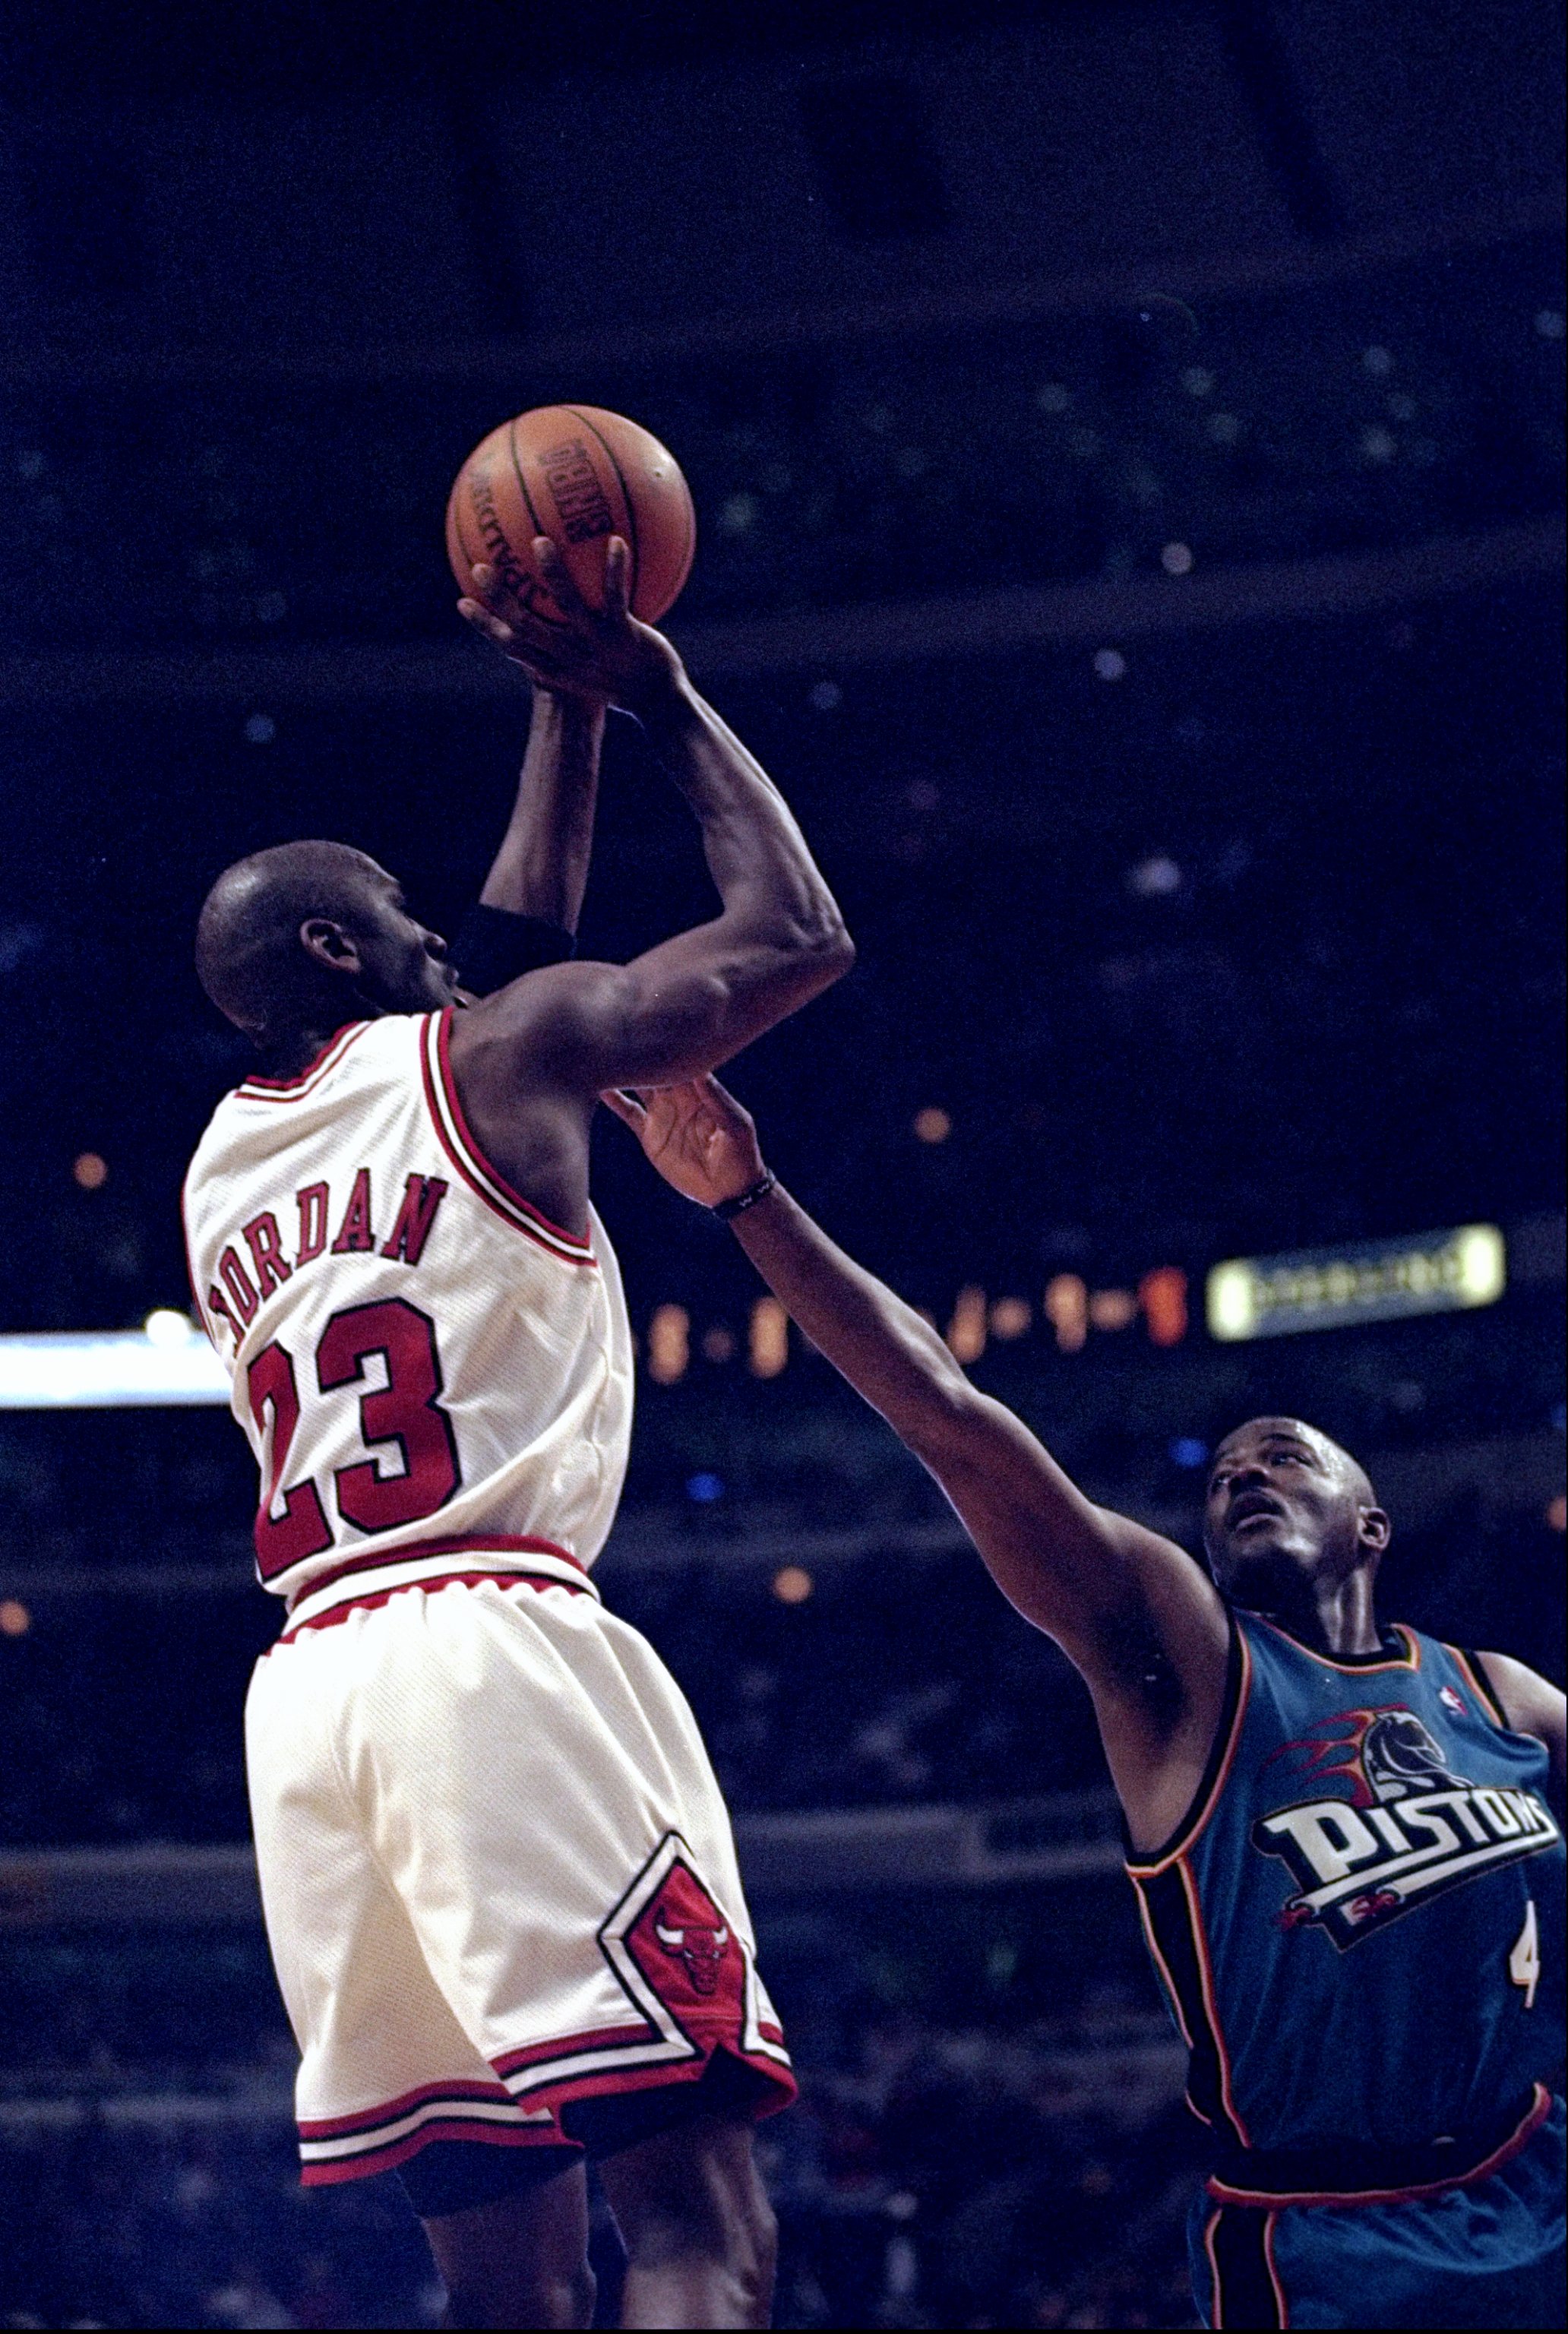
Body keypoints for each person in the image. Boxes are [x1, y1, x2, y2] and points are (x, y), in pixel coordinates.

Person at [605, 1073, 1566, 2332]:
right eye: (1223, 1476)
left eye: (1283, 1458)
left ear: (1370, 1524)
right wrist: (753, 1199)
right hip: (1330, 2237)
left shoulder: (1498, 1695)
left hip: (1536, 2177)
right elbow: (953, 1421)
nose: (1243, 1480)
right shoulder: (1190, 1666)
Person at [182, 539, 854, 2331]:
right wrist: (663, 698)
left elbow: (491, 977)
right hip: (488, 1649)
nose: (440, 935)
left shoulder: (220, 1167)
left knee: (504, 2285)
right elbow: (799, 935)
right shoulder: (496, 1057)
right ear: (339, 945)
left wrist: (562, 711)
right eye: (398, 913)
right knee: (698, 2227)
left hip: (310, 1705)